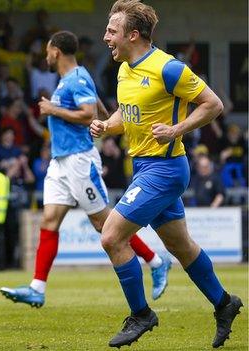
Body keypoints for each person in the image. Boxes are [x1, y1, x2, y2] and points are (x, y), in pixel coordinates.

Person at [90, 1, 243, 347]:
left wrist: (177, 129)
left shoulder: (168, 69)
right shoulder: (125, 68)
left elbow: (213, 104)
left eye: (111, 31)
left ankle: (141, 314)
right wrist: (107, 125)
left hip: (166, 169)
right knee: (180, 245)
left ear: (132, 34)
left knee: (112, 236)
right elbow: (128, 114)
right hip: (145, 167)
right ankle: (224, 304)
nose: (105, 38)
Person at [0, 30, 169, 307]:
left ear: (56, 51)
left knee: (105, 224)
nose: (45, 55)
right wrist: (104, 118)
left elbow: (87, 113)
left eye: (47, 50)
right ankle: (37, 288)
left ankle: (156, 261)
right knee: (49, 221)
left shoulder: (76, 77)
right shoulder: (72, 79)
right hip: (60, 161)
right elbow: (97, 109)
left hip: (79, 160)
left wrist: (54, 110)